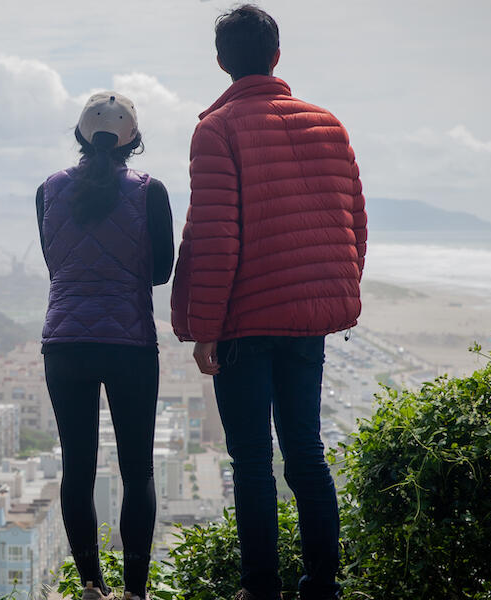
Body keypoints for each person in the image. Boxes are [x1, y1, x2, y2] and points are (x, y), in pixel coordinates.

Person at [170, 6, 366, 600]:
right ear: (276, 56)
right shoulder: (329, 124)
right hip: (308, 323)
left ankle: (261, 589)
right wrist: (331, 296)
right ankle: (322, 587)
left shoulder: (217, 130)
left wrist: (205, 329)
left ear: (223, 62)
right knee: (306, 451)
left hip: (245, 323)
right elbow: (354, 224)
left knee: (253, 460)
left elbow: (215, 237)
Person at [36, 92, 174, 600]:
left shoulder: (48, 189)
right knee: (137, 469)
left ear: (79, 134)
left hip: (65, 342)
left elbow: (54, 260)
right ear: (133, 140)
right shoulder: (149, 191)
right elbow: (160, 272)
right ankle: (134, 592)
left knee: (78, 464)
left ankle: (92, 586)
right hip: (130, 342)